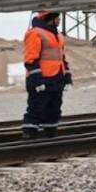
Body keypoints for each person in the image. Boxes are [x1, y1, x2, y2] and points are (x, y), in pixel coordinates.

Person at [22, 11, 71, 139]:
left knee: (54, 108)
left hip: (56, 78)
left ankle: (50, 136)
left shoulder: (58, 36)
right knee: (36, 107)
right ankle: (30, 135)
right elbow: (30, 59)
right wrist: (37, 80)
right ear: (51, 18)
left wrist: (67, 77)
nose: (59, 20)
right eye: (58, 18)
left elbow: (62, 58)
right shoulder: (35, 33)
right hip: (42, 78)